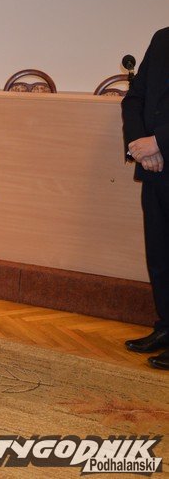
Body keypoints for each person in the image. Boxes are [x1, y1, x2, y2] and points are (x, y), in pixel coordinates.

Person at [121, 26, 169, 371]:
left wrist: (160, 142)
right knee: (160, 255)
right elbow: (134, 98)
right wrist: (140, 145)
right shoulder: (163, 38)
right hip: (156, 168)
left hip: (162, 152)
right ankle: (166, 326)